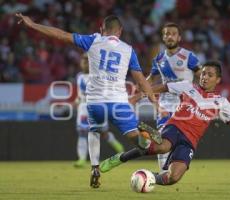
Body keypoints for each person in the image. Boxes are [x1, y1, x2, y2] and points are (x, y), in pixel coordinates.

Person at [16, 13, 160, 188]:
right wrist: (154, 101)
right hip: (119, 103)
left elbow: (61, 35)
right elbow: (140, 80)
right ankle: (142, 133)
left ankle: (94, 168)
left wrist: (32, 24)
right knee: (142, 145)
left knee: (94, 131)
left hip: (95, 103)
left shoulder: (93, 40)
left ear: (102, 29)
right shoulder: (128, 49)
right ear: (120, 31)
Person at [100, 61, 230, 186]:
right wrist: (138, 97)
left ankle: (147, 176)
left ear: (218, 80)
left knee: (173, 178)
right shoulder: (188, 86)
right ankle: (121, 157)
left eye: (210, 75)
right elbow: (162, 87)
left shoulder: (221, 102)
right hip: (175, 127)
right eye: (203, 73)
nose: (204, 77)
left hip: (190, 141)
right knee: (162, 147)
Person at [146, 22, 202, 172]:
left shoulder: (188, 56)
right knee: (161, 141)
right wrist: (141, 86)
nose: (169, 36)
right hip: (164, 105)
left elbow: (201, 77)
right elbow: (150, 79)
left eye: (173, 34)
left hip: (184, 107)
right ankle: (164, 175)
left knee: (177, 142)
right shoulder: (158, 59)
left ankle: (173, 169)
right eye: (166, 34)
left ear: (179, 37)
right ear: (163, 37)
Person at [74, 53, 124, 168]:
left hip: (97, 106)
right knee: (82, 133)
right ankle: (81, 159)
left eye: (87, 61)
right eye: (83, 61)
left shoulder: (99, 76)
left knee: (102, 133)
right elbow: (79, 93)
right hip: (83, 108)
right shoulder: (79, 77)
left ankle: (117, 146)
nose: (85, 63)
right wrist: (77, 100)